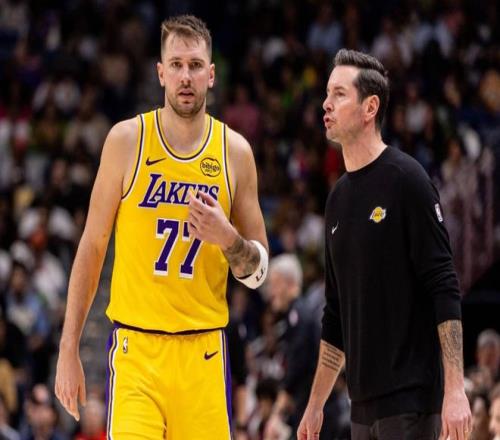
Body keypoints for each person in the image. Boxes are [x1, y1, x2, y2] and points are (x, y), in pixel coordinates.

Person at [54, 15, 268, 439]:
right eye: (176, 65)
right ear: (160, 73)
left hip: (203, 355)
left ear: (211, 75)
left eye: (195, 65)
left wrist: (228, 239)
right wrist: (68, 346)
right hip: (137, 353)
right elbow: (92, 247)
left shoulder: (235, 153)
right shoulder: (126, 141)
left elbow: (259, 273)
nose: (185, 76)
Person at [298, 49, 471, 440]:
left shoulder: (408, 179)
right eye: (327, 93)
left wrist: (456, 389)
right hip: (361, 407)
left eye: (339, 94)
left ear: (370, 107)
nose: (326, 103)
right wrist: (315, 404)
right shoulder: (337, 199)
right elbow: (335, 315)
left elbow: (444, 286)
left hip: (411, 402)